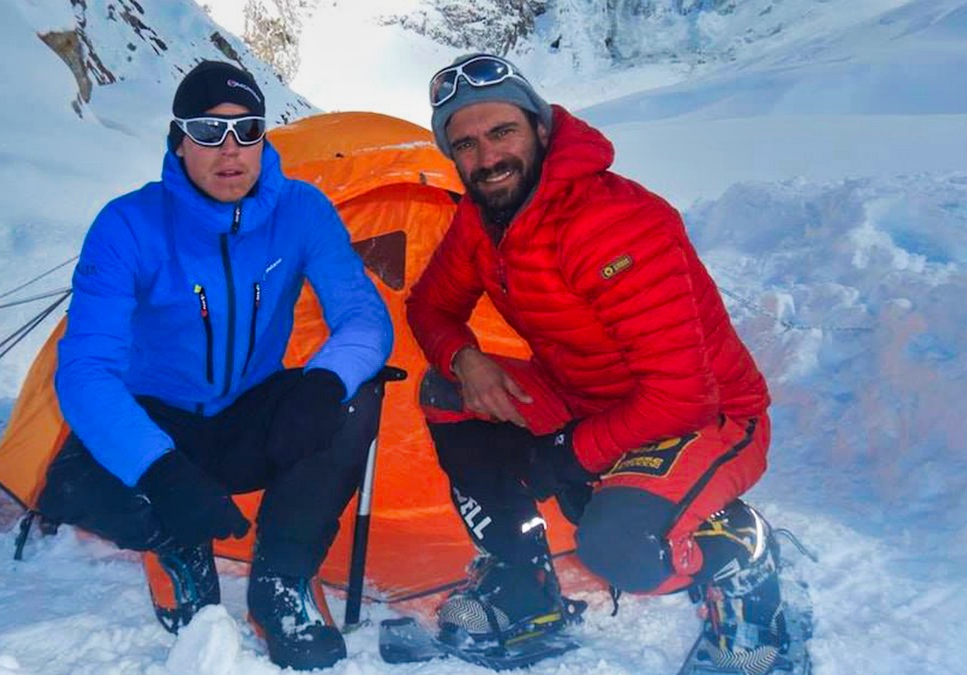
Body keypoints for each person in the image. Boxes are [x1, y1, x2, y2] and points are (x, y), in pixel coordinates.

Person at [406, 53, 789, 667]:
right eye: (466, 144)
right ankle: (524, 587)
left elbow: (683, 395)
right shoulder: (483, 221)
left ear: (540, 127)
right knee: (447, 393)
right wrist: (465, 362)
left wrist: (568, 455)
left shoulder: (613, 224)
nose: (487, 158)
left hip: (710, 418)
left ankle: (747, 563)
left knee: (620, 546)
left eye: (501, 131)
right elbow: (431, 307)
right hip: (584, 396)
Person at [38, 60, 393, 671]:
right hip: (162, 421)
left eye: (246, 129)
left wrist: (324, 380)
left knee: (356, 397)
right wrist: (157, 468)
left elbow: (364, 317)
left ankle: (282, 580)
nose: (229, 150)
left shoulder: (301, 211)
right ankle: (181, 546)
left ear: (264, 138)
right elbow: (85, 370)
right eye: (207, 131)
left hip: (250, 414)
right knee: (75, 484)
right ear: (178, 142)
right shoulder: (127, 224)